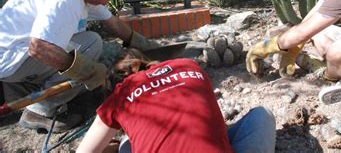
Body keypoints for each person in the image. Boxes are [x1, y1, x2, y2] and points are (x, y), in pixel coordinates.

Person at [0, 0, 164, 132]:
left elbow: (114, 25)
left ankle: (37, 86)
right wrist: (89, 71)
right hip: (11, 61)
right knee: (89, 47)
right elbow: (38, 48)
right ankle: (39, 111)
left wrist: (150, 48)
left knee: (89, 42)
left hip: (18, 54)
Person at [77, 49, 276, 153]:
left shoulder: (120, 96)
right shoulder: (188, 66)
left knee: (128, 142)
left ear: (117, 81)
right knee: (262, 115)